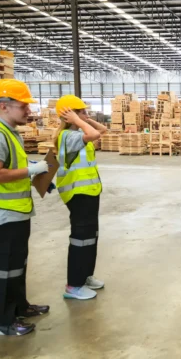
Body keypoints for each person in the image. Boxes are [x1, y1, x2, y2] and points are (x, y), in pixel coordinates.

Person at [0, 79, 51, 336]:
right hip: (1, 212)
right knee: (3, 267)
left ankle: (19, 307)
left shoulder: (10, 132)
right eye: (23, 106)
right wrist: (30, 170)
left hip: (15, 209)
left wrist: (35, 175)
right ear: (4, 106)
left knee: (17, 263)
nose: (29, 111)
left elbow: (11, 167)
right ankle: (1, 323)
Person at [54, 95, 107, 300]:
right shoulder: (69, 136)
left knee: (91, 236)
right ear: (69, 116)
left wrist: (82, 119)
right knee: (80, 239)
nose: (87, 115)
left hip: (90, 192)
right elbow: (94, 134)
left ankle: (85, 276)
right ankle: (73, 285)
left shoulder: (77, 132)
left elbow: (102, 131)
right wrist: (76, 121)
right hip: (77, 194)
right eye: (82, 111)